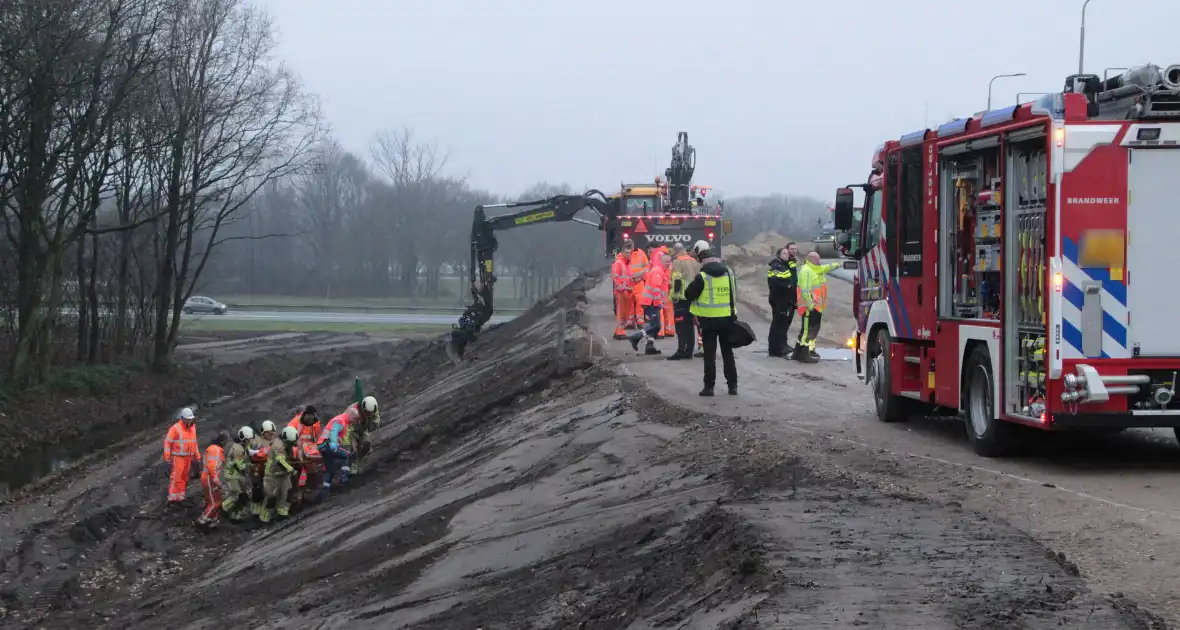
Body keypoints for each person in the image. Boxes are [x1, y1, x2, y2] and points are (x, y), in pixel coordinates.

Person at [684, 240, 738, 396]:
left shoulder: (702, 277)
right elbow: (733, 295)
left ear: (703, 261)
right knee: (728, 354)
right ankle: (732, 386)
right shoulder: (729, 273)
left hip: (708, 321)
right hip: (727, 319)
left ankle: (709, 387)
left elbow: (688, 294)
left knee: (709, 356)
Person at [792, 251, 843, 363]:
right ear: (811, 260)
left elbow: (825, 268)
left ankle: (801, 352)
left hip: (817, 307)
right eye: (817, 260)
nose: (819, 262)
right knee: (807, 331)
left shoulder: (815, 269)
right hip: (809, 307)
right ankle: (803, 354)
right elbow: (804, 290)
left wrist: (838, 264)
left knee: (813, 329)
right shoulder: (806, 271)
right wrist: (809, 305)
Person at [666, 242, 701, 360]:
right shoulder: (695, 263)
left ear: (676, 251)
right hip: (693, 299)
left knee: (681, 326)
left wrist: (675, 296)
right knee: (690, 325)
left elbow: (677, 280)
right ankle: (689, 351)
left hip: (682, 298)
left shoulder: (677, 262)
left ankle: (680, 351)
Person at [629, 252, 669, 355]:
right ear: (661, 262)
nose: (669, 263)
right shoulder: (658, 271)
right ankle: (636, 336)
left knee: (656, 326)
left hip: (651, 302)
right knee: (655, 325)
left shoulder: (659, 271)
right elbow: (656, 288)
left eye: (670, 261)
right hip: (651, 302)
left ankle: (650, 345)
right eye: (666, 261)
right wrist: (659, 302)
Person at [258, 426, 300, 523]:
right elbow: (280, 461)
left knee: (287, 493)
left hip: (283, 474)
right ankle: (264, 518)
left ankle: (282, 513)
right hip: (272, 474)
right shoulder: (278, 445)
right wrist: (291, 470)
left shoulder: (286, 444)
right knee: (271, 498)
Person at [767, 243, 800, 358]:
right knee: (778, 325)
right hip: (780, 300)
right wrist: (788, 288)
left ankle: (782, 346)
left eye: (788, 253)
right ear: (779, 255)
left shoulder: (786, 265)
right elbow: (775, 283)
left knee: (783, 324)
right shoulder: (777, 266)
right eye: (785, 253)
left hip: (787, 299)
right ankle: (776, 349)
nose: (788, 254)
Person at [162, 407, 198, 504]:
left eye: (191, 419)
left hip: (188, 457)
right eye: (188, 419)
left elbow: (194, 443)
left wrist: (197, 456)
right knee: (176, 477)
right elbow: (167, 442)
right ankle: (172, 498)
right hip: (178, 457)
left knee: (184, 477)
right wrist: (167, 457)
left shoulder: (193, 428)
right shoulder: (175, 428)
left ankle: (180, 496)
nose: (190, 421)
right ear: (182, 418)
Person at [194, 431, 229, 533]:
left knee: (216, 501)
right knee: (214, 503)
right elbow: (212, 467)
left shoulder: (214, 449)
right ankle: (202, 520)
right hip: (210, 479)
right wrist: (216, 480)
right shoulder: (215, 450)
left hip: (210, 479)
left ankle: (213, 520)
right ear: (223, 441)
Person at [219, 427, 255, 521]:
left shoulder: (239, 447)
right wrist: (250, 466)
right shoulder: (238, 449)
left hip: (234, 474)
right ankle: (222, 509)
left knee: (240, 496)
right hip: (232, 475)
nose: (250, 441)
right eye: (249, 439)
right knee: (236, 496)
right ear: (244, 439)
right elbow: (240, 465)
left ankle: (234, 515)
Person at [317, 408, 353, 497]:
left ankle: (324, 493)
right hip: (328, 446)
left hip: (322, 446)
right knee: (346, 455)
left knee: (330, 470)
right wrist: (334, 443)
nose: (355, 421)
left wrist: (336, 440)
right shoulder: (341, 420)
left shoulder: (339, 419)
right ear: (351, 415)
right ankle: (343, 478)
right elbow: (333, 431)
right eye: (355, 419)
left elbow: (332, 433)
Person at [342, 396, 380, 476]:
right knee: (353, 449)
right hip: (350, 430)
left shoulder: (372, 408)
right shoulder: (352, 412)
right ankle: (352, 465)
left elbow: (376, 417)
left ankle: (359, 460)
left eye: (371, 413)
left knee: (367, 445)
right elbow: (346, 427)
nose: (370, 415)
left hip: (363, 428)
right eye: (368, 413)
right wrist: (348, 443)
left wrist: (375, 423)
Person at [287, 405, 321, 489]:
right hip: (302, 451)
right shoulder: (296, 423)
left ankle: (304, 489)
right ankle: (309, 489)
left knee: (301, 470)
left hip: (306, 450)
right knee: (309, 469)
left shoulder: (293, 422)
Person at [611, 249, 634, 338]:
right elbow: (615, 277)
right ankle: (619, 332)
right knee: (621, 313)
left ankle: (620, 330)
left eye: (630, 253)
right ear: (622, 253)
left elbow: (628, 278)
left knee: (624, 313)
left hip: (627, 291)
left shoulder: (626, 263)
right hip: (621, 292)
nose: (629, 254)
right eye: (627, 252)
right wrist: (621, 287)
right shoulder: (619, 263)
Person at [627, 239, 650, 327]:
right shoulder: (623, 254)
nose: (629, 247)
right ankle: (630, 322)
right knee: (629, 303)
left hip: (639, 282)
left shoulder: (640, 253)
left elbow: (646, 266)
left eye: (630, 245)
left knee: (640, 301)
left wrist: (640, 276)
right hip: (629, 282)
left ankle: (640, 321)